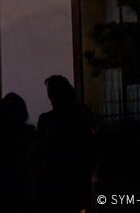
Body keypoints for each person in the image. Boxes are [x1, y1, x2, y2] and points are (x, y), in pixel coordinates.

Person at [34, 75, 94, 213]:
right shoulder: (82, 118)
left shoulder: (46, 120)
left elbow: (40, 153)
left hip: (52, 186)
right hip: (76, 184)